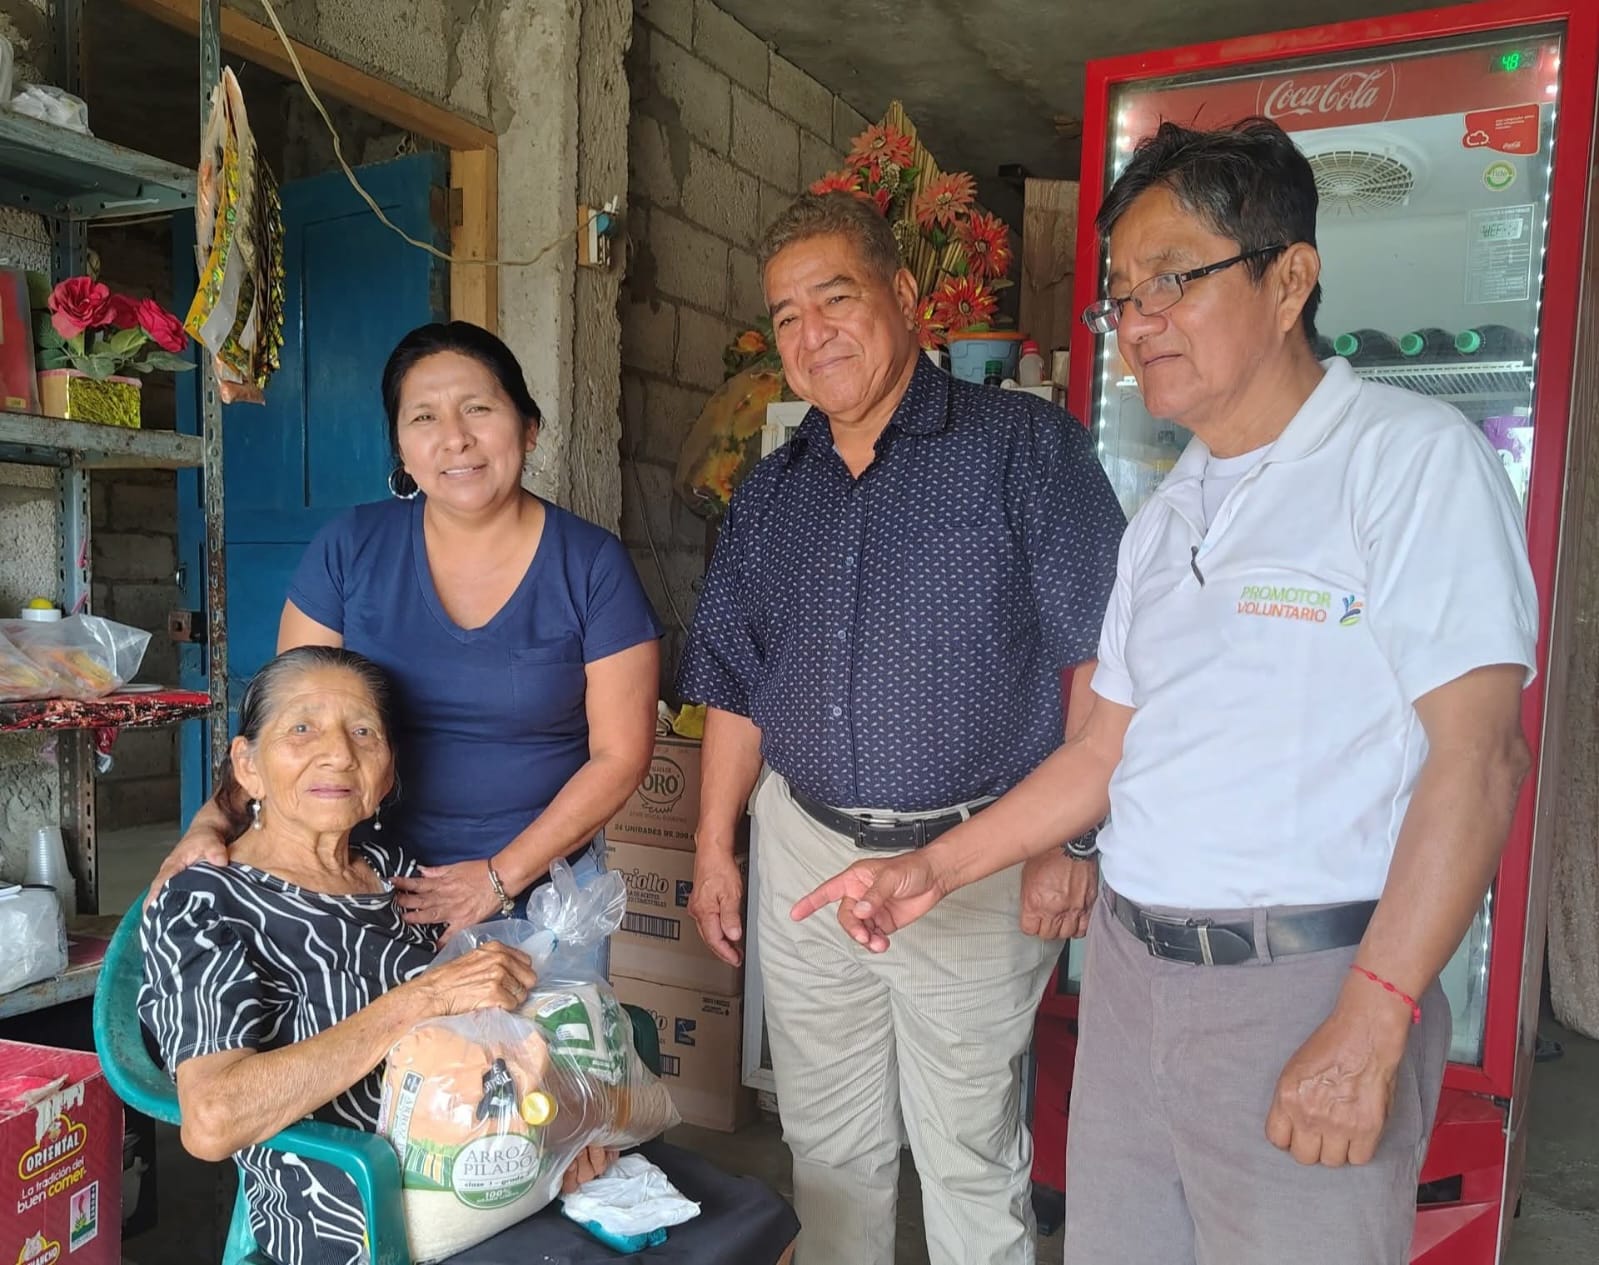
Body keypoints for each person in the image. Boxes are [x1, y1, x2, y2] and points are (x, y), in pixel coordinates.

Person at [793, 118, 1539, 1265]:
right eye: (1123, 296)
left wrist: (1373, 1013)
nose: (1139, 321)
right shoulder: (1169, 513)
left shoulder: (1407, 461)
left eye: (1173, 280)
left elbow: (1480, 757)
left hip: (1308, 983)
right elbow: (1102, 752)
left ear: (1289, 278)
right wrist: (930, 868)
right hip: (1134, 976)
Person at [677, 191, 1126, 1265]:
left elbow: (1105, 659)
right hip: (805, 849)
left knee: (967, 1149)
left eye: (834, 298)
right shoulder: (772, 490)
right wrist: (712, 846)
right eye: (786, 316)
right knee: (826, 1142)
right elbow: (735, 679)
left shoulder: (1023, 447)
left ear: (907, 296)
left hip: (973, 856)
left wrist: (1070, 841)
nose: (812, 333)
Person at [155, 322, 662, 943]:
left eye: (478, 409)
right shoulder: (350, 549)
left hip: (544, 897)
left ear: (529, 427)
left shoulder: (591, 566)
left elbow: (620, 756)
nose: (455, 438)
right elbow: (291, 725)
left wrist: (497, 879)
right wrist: (214, 820)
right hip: (362, 880)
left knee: (530, 1014)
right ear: (400, 446)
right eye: (424, 417)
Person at [139, 646, 617, 1265]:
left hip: (490, 1179)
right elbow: (213, 1119)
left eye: (363, 732)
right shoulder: (207, 902)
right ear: (247, 766)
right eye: (302, 728)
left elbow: (478, 1039)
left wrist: (560, 1128)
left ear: (387, 774)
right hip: (359, 1224)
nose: (339, 753)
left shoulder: (396, 872)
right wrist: (422, 999)